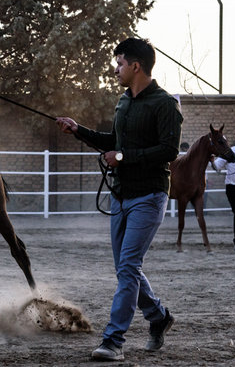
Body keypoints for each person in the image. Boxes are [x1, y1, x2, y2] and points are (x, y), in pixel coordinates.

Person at [56, 37, 182, 362]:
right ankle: (158, 317)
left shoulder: (165, 104)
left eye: (120, 64)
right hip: (120, 196)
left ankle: (113, 341)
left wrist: (124, 157)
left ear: (136, 66)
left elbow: (169, 151)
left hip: (150, 196)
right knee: (126, 270)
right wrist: (78, 130)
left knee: (128, 267)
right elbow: (113, 141)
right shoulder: (124, 102)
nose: (116, 70)